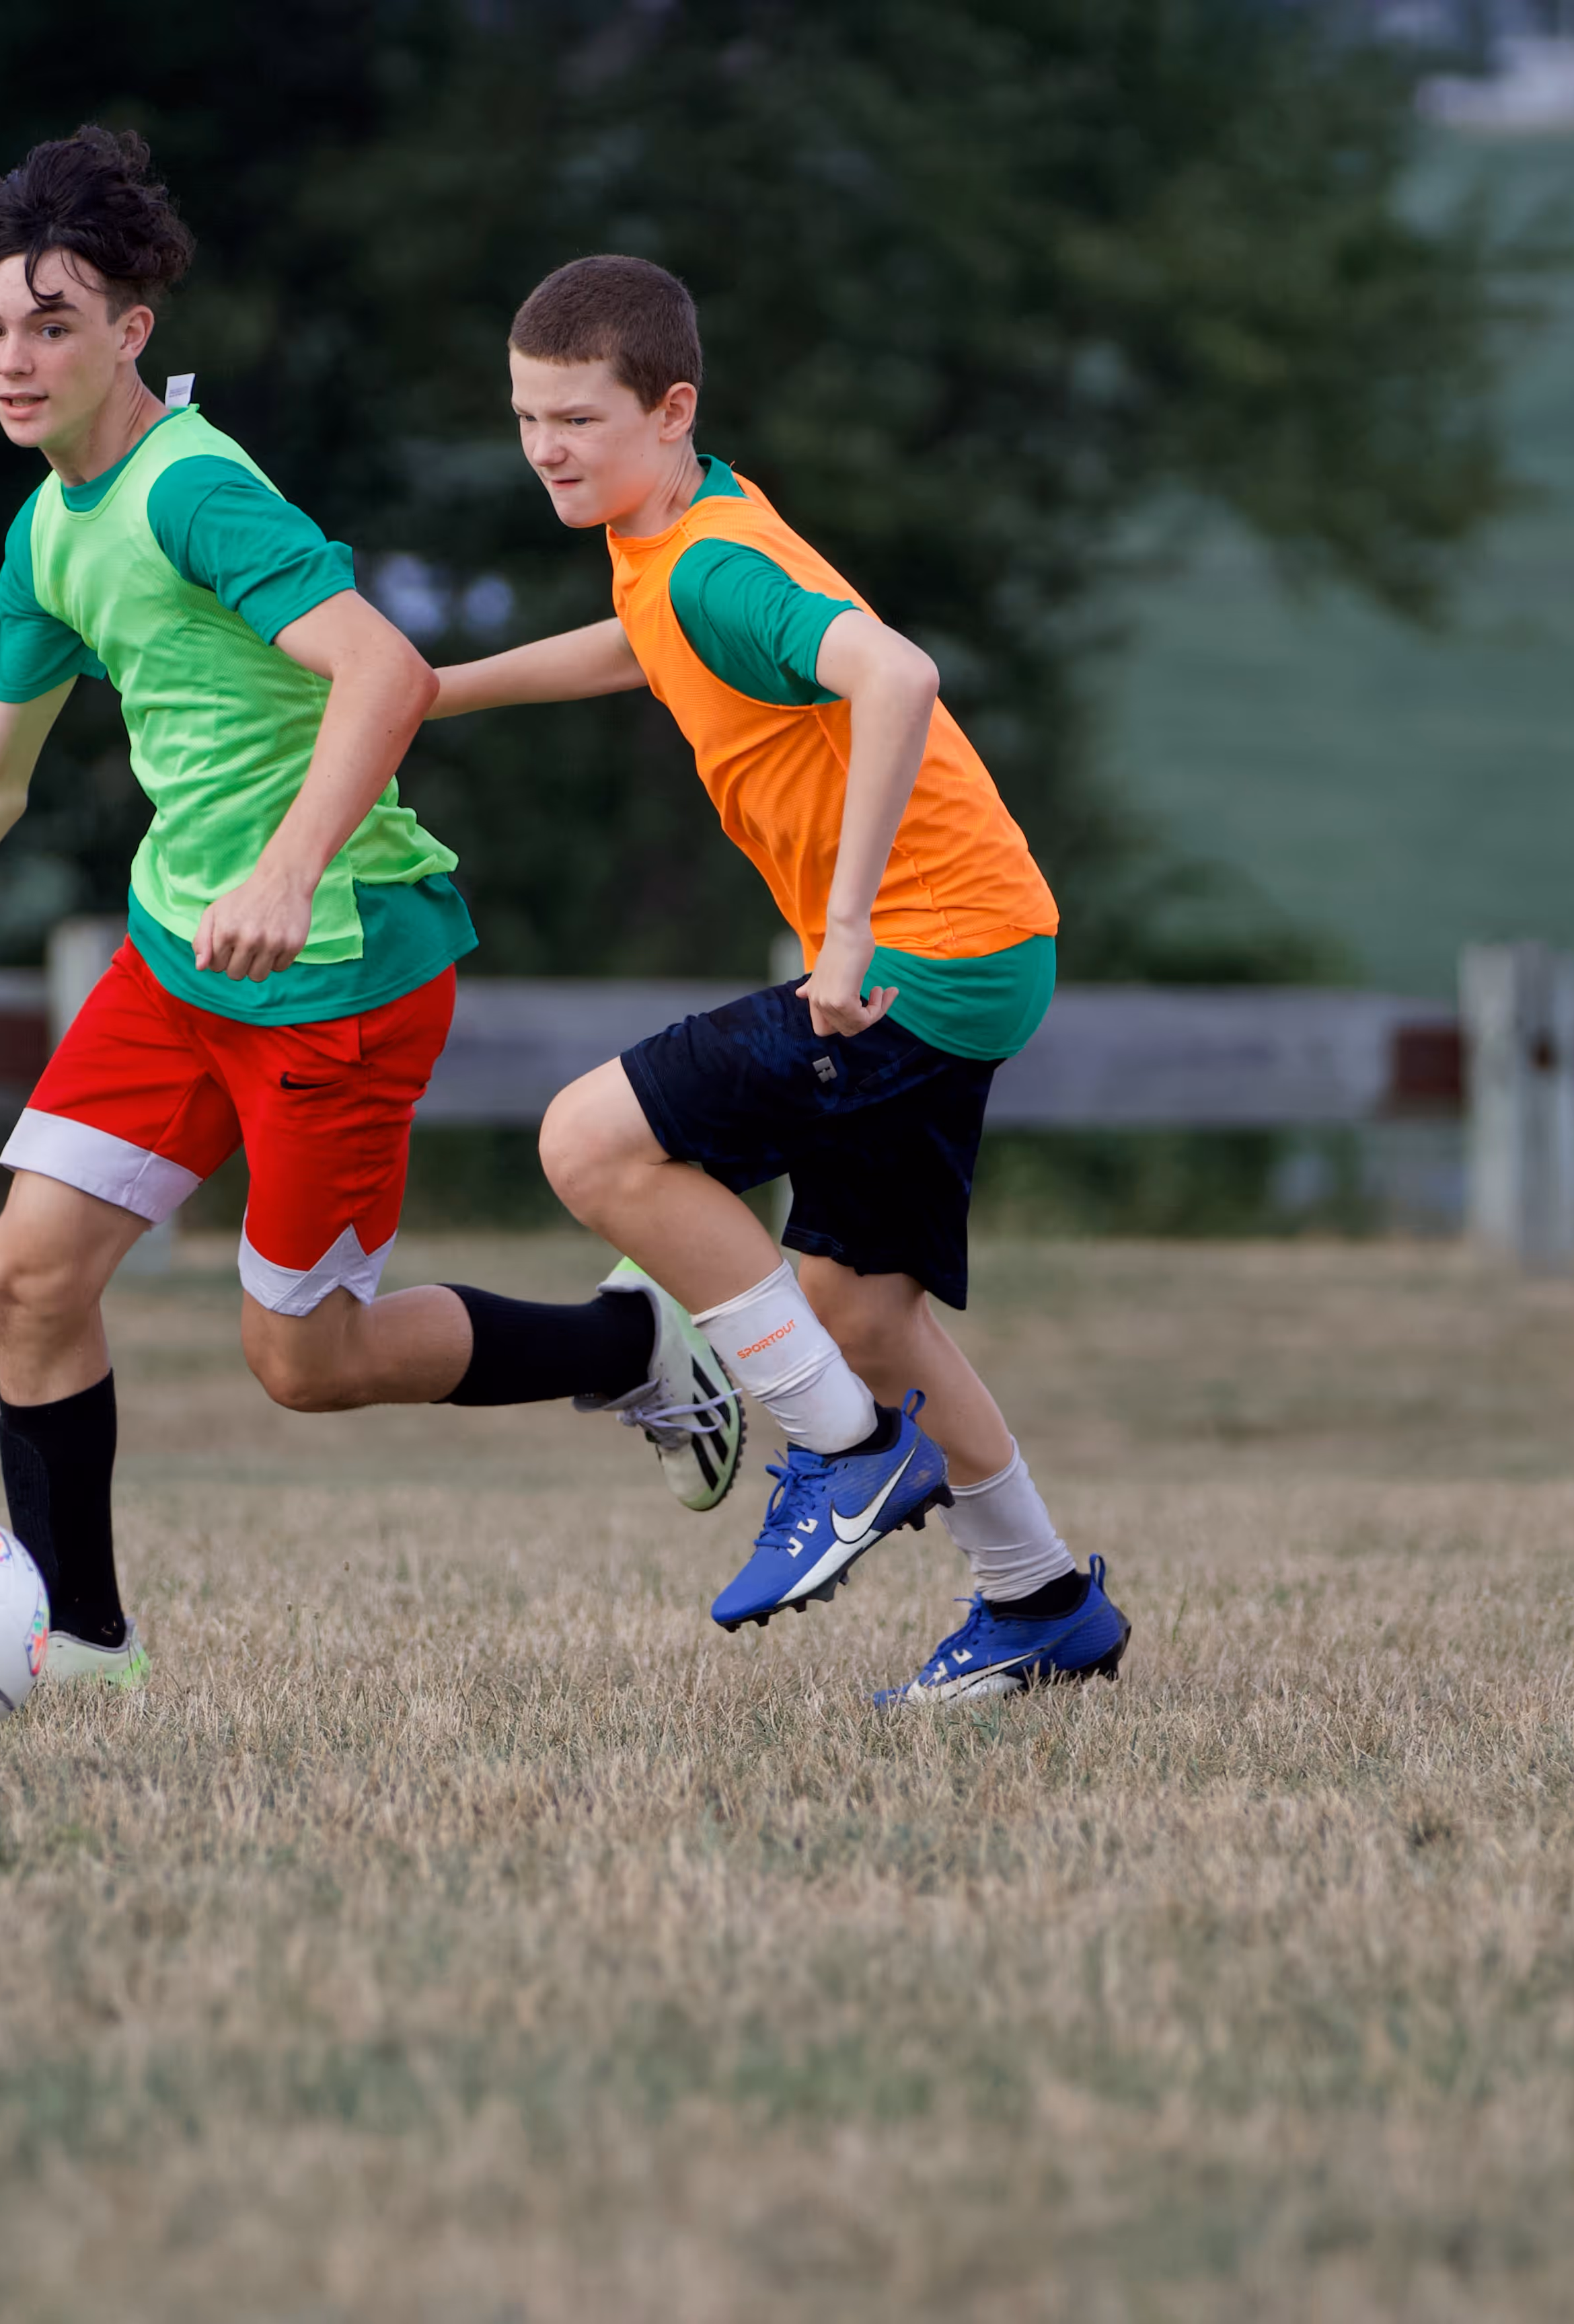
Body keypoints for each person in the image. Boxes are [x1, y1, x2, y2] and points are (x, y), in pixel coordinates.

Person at [0, 134, 741, 1689]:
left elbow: (389, 670)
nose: (17, 360)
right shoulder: (49, 528)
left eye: (54, 323)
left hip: (339, 965)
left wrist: (291, 870)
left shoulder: (195, 492)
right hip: (182, 961)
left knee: (308, 1364)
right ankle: (79, 1643)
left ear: (129, 333)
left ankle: (639, 1349)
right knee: (27, 1275)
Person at [424, 255, 1129, 1705]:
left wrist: (852, 932)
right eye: (525, 419)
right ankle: (1042, 1600)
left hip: (922, 963)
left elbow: (899, 675)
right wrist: (440, 690)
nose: (545, 449)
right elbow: (651, 644)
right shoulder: (676, 535)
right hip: (990, 946)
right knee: (864, 1314)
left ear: (672, 407)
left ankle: (846, 1452)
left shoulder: (714, 558)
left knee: (591, 1140)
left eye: (577, 419)